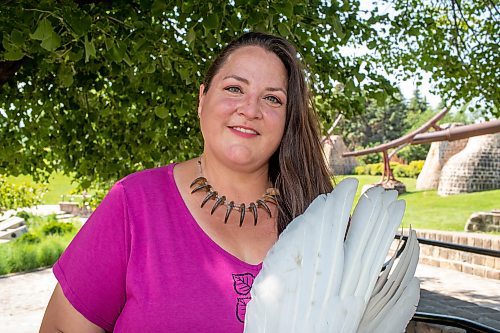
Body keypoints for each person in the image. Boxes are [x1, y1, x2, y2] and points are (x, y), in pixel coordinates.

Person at [40, 32, 333, 332]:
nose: (249, 110)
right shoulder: (134, 203)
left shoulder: (322, 220)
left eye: (272, 98)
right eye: (234, 88)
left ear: (288, 118)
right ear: (202, 99)